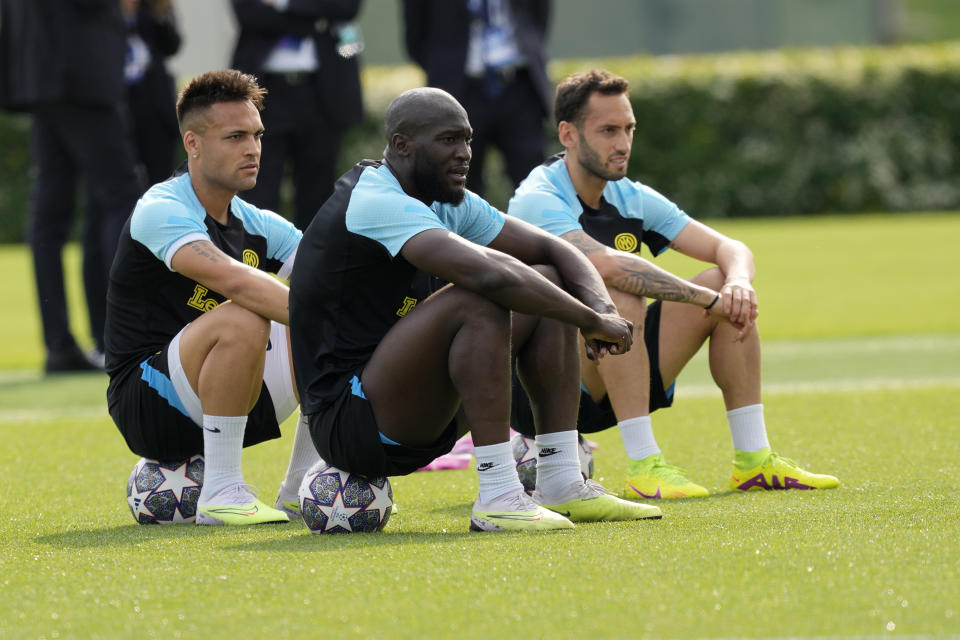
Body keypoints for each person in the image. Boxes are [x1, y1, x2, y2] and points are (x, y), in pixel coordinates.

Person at [289, 86, 663, 532]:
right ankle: (499, 495)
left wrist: (601, 308)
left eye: (467, 139)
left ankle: (562, 481)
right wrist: (589, 320)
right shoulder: (374, 201)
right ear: (402, 145)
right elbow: (490, 276)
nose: (466, 153)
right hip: (350, 422)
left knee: (544, 276)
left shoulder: (447, 201)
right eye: (449, 140)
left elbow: (554, 248)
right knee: (479, 295)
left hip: (417, 409)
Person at [508, 69, 839, 499]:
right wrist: (711, 300)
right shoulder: (538, 198)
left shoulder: (629, 195)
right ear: (568, 134)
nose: (623, 143)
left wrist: (736, 284)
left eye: (628, 129)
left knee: (722, 277)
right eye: (608, 130)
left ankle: (754, 461)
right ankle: (645, 466)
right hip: (543, 387)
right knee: (620, 292)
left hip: (616, 368)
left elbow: (730, 247)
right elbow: (604, 266)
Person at [105, 70, 321, 526]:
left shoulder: (260, 223)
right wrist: (325, 317)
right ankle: (221, 490)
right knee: (247, 312)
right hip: (149, 399)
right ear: (193, 143)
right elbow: (237, 283)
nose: (253, 149)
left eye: (257, 136)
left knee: (332, 318)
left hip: (227, 391)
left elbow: (331, 279)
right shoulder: (161, 208)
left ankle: (303, 486)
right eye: (235, 136)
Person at [0, 0, 145, 373]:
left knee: (50, 214)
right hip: (80, 75)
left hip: (39, 78)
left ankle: (59, 343)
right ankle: (127, 335)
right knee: (122, 197)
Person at [230, 0, 365, 231]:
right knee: (258, 187)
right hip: (265, 92)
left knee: (318, 191)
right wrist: (313, 18)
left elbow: (346, 7)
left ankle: (310, 265)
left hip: (321, 92)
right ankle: (257, 261)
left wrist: (284, 4)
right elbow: (249, 13)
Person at [402, 0, 551, 200]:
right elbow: (416, 35)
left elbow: (537, 16)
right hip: (458, 90)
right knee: (457, 192)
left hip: (519, 86)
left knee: (535, 186)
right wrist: (445, 69)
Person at [122, 0, 182, 185]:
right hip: (118, 102)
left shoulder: (151, 8)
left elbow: (172, 45)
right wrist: (126, 14)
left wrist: (160, 14)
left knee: (161, 180)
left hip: (154, 103)